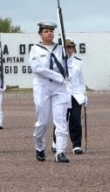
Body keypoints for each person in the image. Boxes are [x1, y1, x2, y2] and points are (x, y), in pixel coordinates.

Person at [29, 20, 70, 163]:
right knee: (43, 121)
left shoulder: (61, 48)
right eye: (46, 31)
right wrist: (58, 76)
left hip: (60, 88)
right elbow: (37, 68)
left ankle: (60, 151)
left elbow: (68, 65)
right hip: (42, 86)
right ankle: (39, 146)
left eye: (51, 31)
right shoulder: (35, 49)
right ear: (40, 34)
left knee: (61, 120)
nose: (49, 33)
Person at [64, 38, 86, 154]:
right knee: (61, 120)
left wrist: (84, 94)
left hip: (76, 94)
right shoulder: (59, 61)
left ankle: (76, 145)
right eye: (66, 47)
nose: (68, 49)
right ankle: (56, 143)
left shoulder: (79, 62)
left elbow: (81, 80)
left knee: (76, 120)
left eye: (70, 47)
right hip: (63, 94)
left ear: (73, 48)